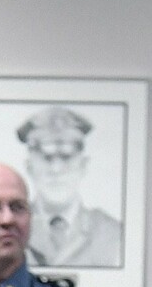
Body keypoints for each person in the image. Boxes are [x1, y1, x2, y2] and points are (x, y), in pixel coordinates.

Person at [19, 106, 125, 269]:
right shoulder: (12, 229)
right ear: (29, 167)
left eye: (66, 157)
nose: (56, 170)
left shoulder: (112, 234)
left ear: (84, 165)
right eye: (46, 158)